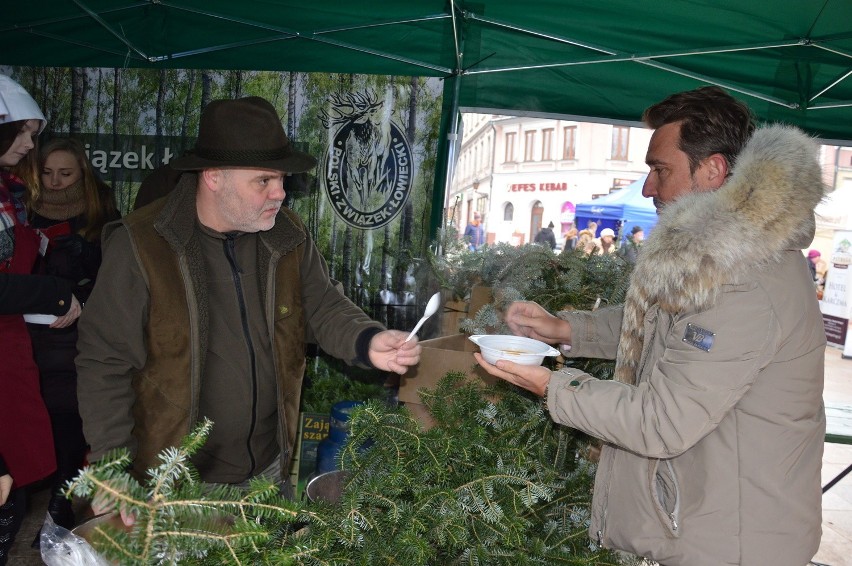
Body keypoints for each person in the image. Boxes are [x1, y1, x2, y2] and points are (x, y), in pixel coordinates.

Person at [474, 86, 826, 565]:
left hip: (737, 546)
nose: (647, 188)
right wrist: (564, 330)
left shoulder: (747, 279)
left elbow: (661, 421)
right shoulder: (725, 259)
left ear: (713, 170)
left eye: (660, 170)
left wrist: (551, 384)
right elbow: (667, 323)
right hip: (715, 528)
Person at [75, 96, 421, 520]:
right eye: (264, 181)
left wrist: (368, 340)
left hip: (268, 467)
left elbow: (322, 305)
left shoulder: (286, 234)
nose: (280, 193)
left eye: (281, 179)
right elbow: (104, 360)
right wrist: (113, 465)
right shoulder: (142, 245)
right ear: (214, 176)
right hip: (175, 483)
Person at [0, 74, 82, 564]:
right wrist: (54, 293)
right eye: (23, 132)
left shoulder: (10, 196)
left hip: (14, 354)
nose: (31, 143)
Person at [25, 137, 119, 544]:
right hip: (26, 333)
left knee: (70, 422)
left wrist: (86, 268)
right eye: (47, 173)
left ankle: (59, 510)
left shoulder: (102, 209)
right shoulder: (19, 204)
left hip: (81, 336)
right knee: (30, 421)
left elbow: (120, 278)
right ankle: (29, 504)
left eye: (65, 173)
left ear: (83, 171)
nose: (55, 182)